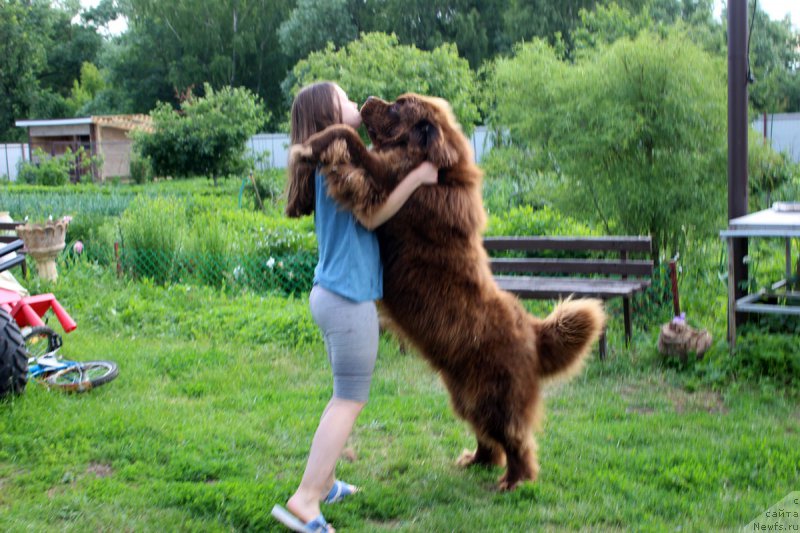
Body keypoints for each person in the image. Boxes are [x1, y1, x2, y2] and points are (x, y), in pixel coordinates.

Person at [271, 82, 438, 533]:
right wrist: (418, 179)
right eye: (345, 100)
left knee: (342, 397)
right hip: (347, 299)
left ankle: (323, 485)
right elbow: (374, 213)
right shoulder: (338, 161)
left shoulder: (332, 160)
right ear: (329, 115)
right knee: (349, 400)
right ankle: (305, 500)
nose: (354, 103)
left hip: (332, 294)